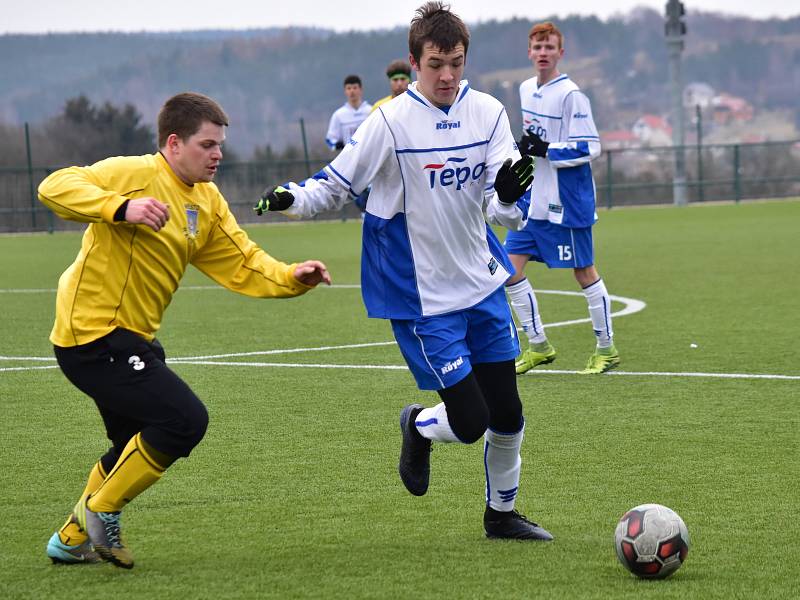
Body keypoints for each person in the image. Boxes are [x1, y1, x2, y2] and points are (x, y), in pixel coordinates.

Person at [255, 1, 553, 541]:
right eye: (436, 63)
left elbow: (500, 208)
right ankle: (417, 424)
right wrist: (290, 200)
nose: (447, 75)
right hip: (421, 294)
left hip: (481, 280)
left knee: (507, 412)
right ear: (415, 62)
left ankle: (501, 515)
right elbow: (335, 184)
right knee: (468, 422)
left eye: (456, 63)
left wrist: (512, 194)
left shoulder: (488, 112)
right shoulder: (388, 122)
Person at [38, 92, 331, 569]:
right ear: (173, 144)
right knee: (184, 420)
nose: (217, 154)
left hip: (132, 338)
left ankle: (70, 538)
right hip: (92, 334)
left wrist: (290, 276)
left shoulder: (207, 201)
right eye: (207, 145)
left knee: (133, 443)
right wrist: (119, 208)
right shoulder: (134, 173)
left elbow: (242, 262)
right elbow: (54, 187)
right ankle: (100, 510)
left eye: (220, 145)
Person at [506, 21, 619, 375]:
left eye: (549, 48)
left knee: (583, 273)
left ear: (560, 53)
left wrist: (546, 149)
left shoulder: (571, 94)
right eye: (537, 48)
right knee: (509, 270)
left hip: (567, 201)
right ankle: (539, 346)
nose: (543, 53)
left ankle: (607, 349)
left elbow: (591, 147)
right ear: (529, 52)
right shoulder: (526, 89)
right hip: (533, 199)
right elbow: (531, 139)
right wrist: (523, 154)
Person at [325, 74, 372, 151]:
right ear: (345, 91)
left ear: (361, 89)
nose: (352, 91)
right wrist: (337, 145)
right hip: (348, 158)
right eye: (349, 88)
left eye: (355, 88)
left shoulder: (370, 111)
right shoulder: (338, 115)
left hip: (368, 155)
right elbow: (330, 139)